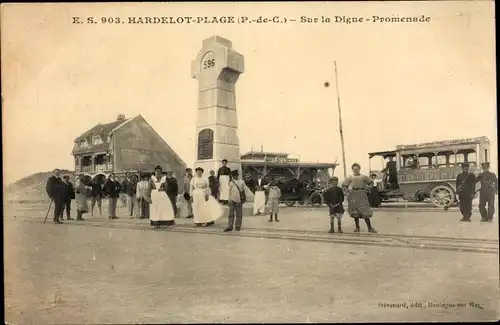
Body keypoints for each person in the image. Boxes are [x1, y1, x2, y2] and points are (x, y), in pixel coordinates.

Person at [342, 163, 377, 233]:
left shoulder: (363, 176)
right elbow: (344, 185)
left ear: (359, 169)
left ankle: (370, 228)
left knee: (365, 211)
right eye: (354, 169)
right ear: (352, 170)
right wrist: (348, 192)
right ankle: (357, 228)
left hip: (362, 194)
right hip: (354, 195)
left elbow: (371, 183)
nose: (356, 170)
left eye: (357, 169)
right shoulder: (350, 177)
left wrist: (367, 188)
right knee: (355, 212)